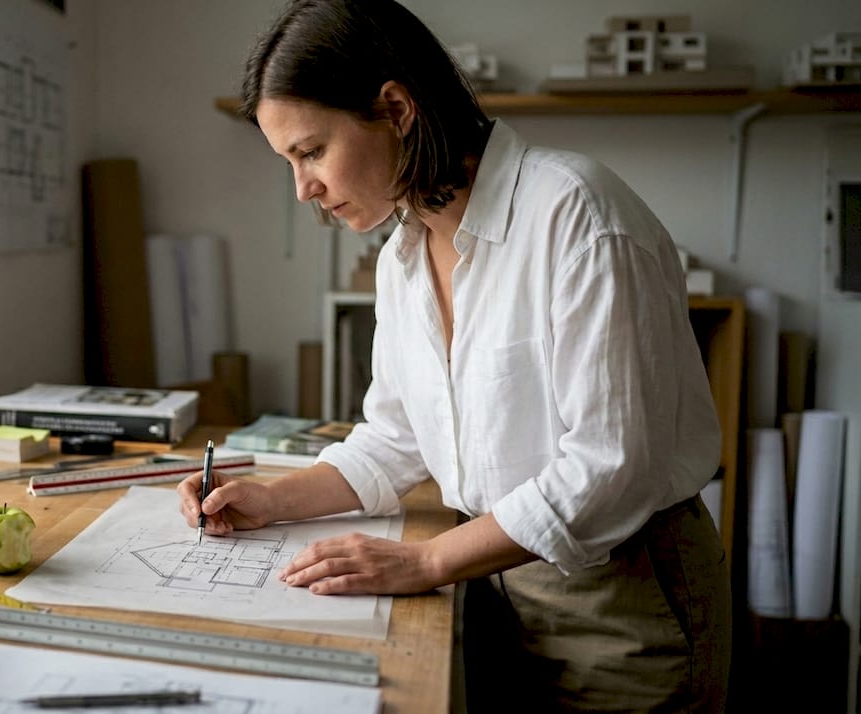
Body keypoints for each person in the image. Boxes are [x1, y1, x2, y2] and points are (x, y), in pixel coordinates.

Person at [175, 1, 732, 711]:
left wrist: (427, 561)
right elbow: (394, 438)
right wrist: (270, 500)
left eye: (312, 152)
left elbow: (610, 467)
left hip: (621, 597)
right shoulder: (400, 254)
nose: (303, 188)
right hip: (490, 581)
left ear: (397, 109)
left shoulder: (578, 216)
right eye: (289, 161)